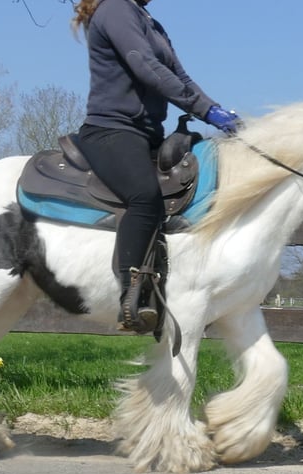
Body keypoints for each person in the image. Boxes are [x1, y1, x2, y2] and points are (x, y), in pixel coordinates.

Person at [72, 0, 241, 333]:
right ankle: (134, 298)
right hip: (111, 132)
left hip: (147, 134)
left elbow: (181, 77)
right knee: (144, 196)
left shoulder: (151, 22)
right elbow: (146, 66)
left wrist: (216, 110)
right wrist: (206, 113)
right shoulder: (116, 9)